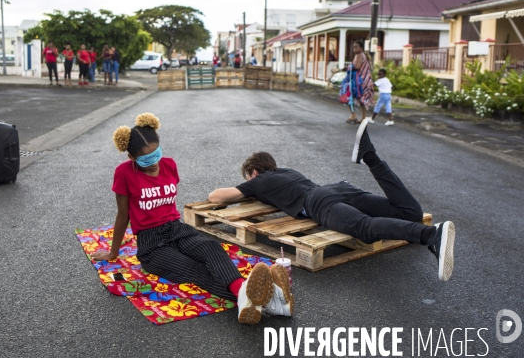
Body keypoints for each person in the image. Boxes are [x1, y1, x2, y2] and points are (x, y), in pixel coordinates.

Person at [90, 113, 295, 325]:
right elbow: (123, 216)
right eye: (146, 160)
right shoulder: (123, 173)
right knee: (192, 269)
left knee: (211, 248)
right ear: (131, 158)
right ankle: (271, 301)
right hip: (151, 244)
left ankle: (252, 299)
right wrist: (113, 252)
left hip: (177, 229)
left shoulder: (169, 165)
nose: (154, 164)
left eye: (156, 154)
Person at [208, 119, 456, 282]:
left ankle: (431, 235)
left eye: (248, 176)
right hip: (338, 189)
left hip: (317, 202)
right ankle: (369, 155)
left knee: (364, 229)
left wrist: (248, 189)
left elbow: (215, 196)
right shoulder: (287, 172)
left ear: (253, 172)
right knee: (410, 212)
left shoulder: (259, 181)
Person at [341, 41, 374, 124]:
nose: (354, 49)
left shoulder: (359, 55)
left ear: (361, 48)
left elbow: (357, 67)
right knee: (358, 98)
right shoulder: (360, 55)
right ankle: (358, 117)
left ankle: (355, 116)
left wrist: (347, 68)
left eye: (356, 47)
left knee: (352, 96)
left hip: (361, 81)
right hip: (361, 80)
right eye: (353, 47)